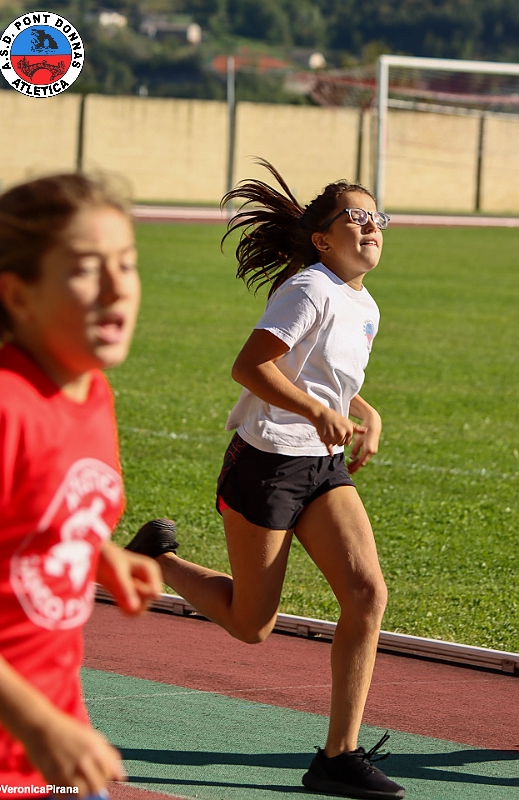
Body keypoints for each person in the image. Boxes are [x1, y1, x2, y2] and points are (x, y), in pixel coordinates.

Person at [127, 160, 406, 799]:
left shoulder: (363, 303)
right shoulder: (309, 289)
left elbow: (321, 375)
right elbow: (251, 367)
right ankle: (158, 560)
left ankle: (338, 756)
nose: (371, 226)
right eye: (357, 217)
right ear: (322, 239)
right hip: (268, 463)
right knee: (252, 624)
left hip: (321, 466)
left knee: (367, 594)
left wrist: (364, 410)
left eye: (377, 217)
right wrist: (315, 412)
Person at [0, 174, 162, 799]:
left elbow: (31, 515)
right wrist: (37, 726)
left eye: (127, 264)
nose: (117, 288)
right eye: (87, 269)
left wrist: (95, 550)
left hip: (54, 748)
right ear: (19, 296)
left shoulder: (90, 391)